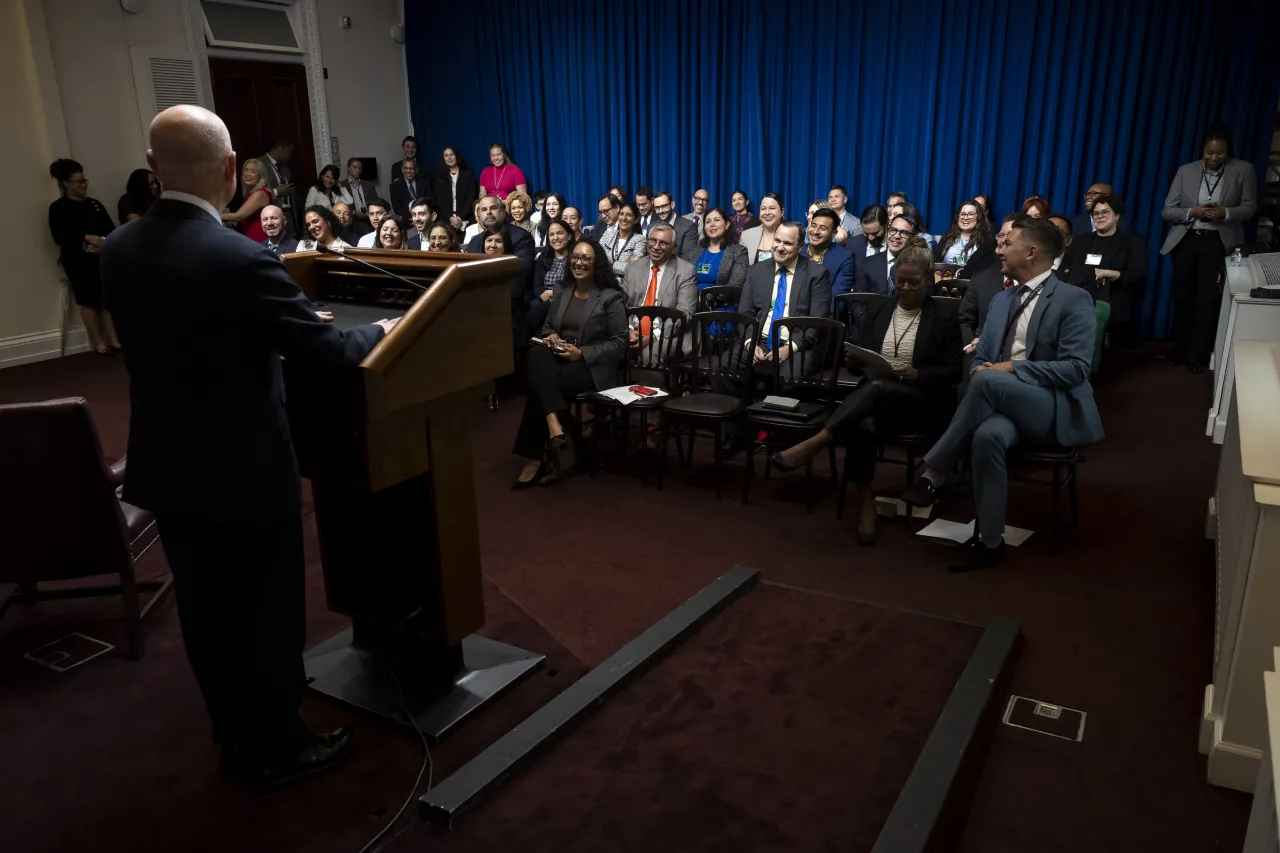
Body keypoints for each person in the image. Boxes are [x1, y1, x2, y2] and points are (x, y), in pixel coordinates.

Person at [100, 104, 396, 788]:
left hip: (168, 466)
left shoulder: (118, 249)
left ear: (152, 169)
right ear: (233, 169)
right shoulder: (239, 255)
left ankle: (234, 736)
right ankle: (281, 746)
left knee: (207, 613)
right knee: (264, 610)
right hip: (245, 469)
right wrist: (382, 327)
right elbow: (325, 348)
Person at [901, 217, 1103, 572]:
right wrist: (991, 369)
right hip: (997, 405)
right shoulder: (999, 299)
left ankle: (935, 472)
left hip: (1050, 406)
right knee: (987, 435)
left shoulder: (1074, 299)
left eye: (1008, 243)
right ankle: (989, 541)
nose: (1000, 249)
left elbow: (1075, 370)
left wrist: (1011, 369)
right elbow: (982, 358)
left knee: (986, 381)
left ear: (1031, 251)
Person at [771, 237, 961, 544]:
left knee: (874, 391)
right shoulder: (880, 310)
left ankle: (818, 440)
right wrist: (855, 361)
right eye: (900, 281)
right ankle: (866, 504)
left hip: (922, 403)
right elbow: (866, 358)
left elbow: (953, 372)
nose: (906, 288)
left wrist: (914, 372)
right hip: (876, 398)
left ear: (928, 281)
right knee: (864, 424)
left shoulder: (945, 316)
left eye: (914, 283)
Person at [513, 239, 626, 487]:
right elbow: (548, 327)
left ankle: (538, 456)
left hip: (591, 367)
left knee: (540, 384)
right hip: (557, 358)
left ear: (596, 263)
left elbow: (620, 343)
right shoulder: (563, 290)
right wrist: (550, 337)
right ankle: (557, 432)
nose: (579, 262)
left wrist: (582, 353)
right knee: (536, 354)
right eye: (575, 257)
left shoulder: (610, 297)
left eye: (586, 258)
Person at [715, 221, 834, 446]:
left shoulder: (817, 274)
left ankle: (776, 436)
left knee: (788, 377)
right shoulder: (757, 270)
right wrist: (750, 342)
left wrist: (788, 349)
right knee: (723, 367)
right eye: (777, 241)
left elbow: (816, 322)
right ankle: (739, 431)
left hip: (798, 344)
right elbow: (745, 313)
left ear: (800, 246)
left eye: (787, 243)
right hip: (759, 340)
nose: (779, 247)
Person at [1161, 122, 1257, 373]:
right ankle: (1178, 349)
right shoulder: (1186, 171)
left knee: (1207, 299)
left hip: (1219, 242)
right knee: (1183, 297)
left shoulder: (1244, 170)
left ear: (1228, 151)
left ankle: (1198, 354)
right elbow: (1168, 210)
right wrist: (1191, 211)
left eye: (1220, 153)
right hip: (1187, 240)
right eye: (1209, 153)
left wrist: (1224, 212)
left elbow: (1249, 208)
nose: (1214, 158)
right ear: (1202, 150)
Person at [1058, 195, 1145, 372]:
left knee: (1089, 319)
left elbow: (1138, 274)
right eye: (1095, 213)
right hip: (1076, 294)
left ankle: (1085, 371)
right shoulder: (1081, 241)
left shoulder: (1130, 243)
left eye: (1105, 212)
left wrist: (1110, 273)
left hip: (1109, 297)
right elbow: (1064, 269)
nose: (1099, 216)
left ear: (1117, 215)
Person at [47, 158, 121, 355]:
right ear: (66, 183)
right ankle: (98, 342)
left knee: (106, 299)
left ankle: (113, 339)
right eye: (79, 181)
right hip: (77, 260)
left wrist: (103, 240)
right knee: (88, 300)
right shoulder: (58, 208)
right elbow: (60, 236)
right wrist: (87, 237)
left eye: (84, 180)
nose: (84, 184)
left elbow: (110, 228)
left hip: (100, 257)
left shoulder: (95, 204)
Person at [958, 215, 1023, 355]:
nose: (1003, 240)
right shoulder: (982, 277)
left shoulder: (1037, 283)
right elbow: (965, 318)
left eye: (1009, 236)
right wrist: (970, 344)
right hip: (981, 356)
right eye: (1001, 235)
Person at [621, 223, 698, 332]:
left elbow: (684, 314)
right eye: (652, 240)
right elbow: (622, 305)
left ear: (673, 248)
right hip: (633, 329)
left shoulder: (686, 271)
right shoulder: (633, 267)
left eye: (663, 243)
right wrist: (629, 329)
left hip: (665, 333)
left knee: (648, 350)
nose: (656, 247)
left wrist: (653, 336)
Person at [528, 219, 576, 335]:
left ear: (569, 236)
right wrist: (545, 295)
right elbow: (537, 285)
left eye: (559, 233)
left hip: (567, 301)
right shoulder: (542, 258)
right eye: (551, 234)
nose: (555, 238)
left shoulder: (576, 258)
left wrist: (552, 293)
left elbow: (575, 286)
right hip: (543, 300)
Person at [465, 195, 535, 272]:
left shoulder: (522, 237)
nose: (488, 212)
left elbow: (522, 271)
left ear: (503, 210)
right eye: (484, 209)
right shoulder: (474, 241)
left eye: (493, 208)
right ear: (478, 214)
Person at [802, 207, 855, 311]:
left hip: (824, 319)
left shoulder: (844, 257)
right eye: (813, 225)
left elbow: (838, 299)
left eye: (823, 228)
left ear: (833, 234)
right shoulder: (798, 251)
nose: (815, 232)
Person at [856, 210, 919, 294]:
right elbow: (857, 300)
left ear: (913, 238)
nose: (896, 236)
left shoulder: (919, 266)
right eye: (893, 230)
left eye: (904, 233)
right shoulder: (868, 263)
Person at [934, 200, 996, 280]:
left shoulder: (986, 240)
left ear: (978, 217)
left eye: (970, 214)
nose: (965, 218)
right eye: (962, 214)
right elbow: (935, 260)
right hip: (945, 283)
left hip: (971, 285)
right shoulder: (948, 236)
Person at [693, 206, 749, 291]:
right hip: (692, 301)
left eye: (717, 220)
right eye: (708, 222)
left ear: (727, 225)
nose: (712, 224)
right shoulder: (696, 250)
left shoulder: (739, 251)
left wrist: (706, 298)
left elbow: (735, 285)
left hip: (721, 302)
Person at [221, 158, 273, 242]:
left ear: (261, 175)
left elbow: (238, 216)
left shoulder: (260, 194)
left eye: (253, 171)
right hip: (251, 238)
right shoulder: (252, 193)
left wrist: (216, 215)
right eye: (246, 170)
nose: (248, 174)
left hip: (259, 239)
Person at [431, 146, 478, 235]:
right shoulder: (439, 176)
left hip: (467, 218)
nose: (449, 158)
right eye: (446, 155)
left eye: (451, 154)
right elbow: (439, 200)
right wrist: (450, 218)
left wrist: (460, 217)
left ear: (456, 156)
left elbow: (471, 197)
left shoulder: (468, 174)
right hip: (446, 220)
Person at [600, 201, 647, 280]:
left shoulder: (640, 240)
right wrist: (626, 265)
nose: (624, 218)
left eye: (629, 215)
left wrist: (611, 265)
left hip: (625, 288)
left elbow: (634, 268)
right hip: (605, 285)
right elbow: (597, 259)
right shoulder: (607, 235)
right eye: (621, 214)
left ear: (635, 220)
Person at [260, 139, 298, 233]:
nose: (290, 156)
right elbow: (252, 194)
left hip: (289, 216)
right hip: (272, 218)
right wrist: (276, 192)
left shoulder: (284, 166)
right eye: (289, 152)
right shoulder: (259, 164)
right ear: (281, 149)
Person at [650, 190, 698, 261]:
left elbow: (687, 260)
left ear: (672, 205)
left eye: (663, 206)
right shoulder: (651, 227)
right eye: (657, 208)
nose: (660, 211)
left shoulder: (689, 227)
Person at [846, 205, 889, 280]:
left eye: (875, 233)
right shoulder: (852, 244)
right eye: (866, 233)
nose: (870, 238)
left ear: (886, 224)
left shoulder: (896, 244)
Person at [741, 192, 785, 264]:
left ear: (782, 212)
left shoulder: (791, 235)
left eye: (772, 208)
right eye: (763, 209)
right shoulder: (746, 236)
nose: (767, 212)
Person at [340, 157, 375, 233]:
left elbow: (375, 202)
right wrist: (353, 212)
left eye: (360, 168)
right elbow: (339, 206)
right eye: (355, 167)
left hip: (368, 218)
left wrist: (370, 212)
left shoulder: (368, 185)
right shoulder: (341, 185)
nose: (358, 170)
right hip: (351, 220)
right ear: (348, 168)